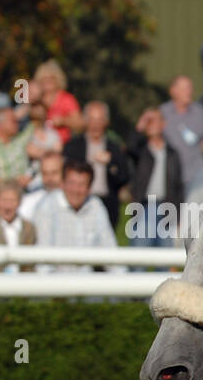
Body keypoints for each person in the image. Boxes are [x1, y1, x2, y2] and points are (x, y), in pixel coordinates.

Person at [31, 160, 121, 272]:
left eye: (82, 184)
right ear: (62, 184)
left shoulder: (95, 205)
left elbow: (109, 248)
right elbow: (42, 258)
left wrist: (123, 283)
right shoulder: (46, 208)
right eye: (71, 183)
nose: (76, 190)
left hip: (88, 283)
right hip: (54, 283)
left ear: (89, 188)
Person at [62, 101, 131, 229]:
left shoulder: (114, 148)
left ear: (106, 122)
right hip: (78, 202)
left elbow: (124, 177)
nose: (95, 125)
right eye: (92, 119)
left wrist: (110, 164)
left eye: (99, 120)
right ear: (85, 121)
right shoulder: (73, 146)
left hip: (107, 204)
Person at [128, 106, 185, 249]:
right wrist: (140, 124)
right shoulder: (141, 151)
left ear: (163, 123)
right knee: (139, 256)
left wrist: (178, 217)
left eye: (154, 120)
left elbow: (178, 186)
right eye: (148, 121)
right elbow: (129, 147)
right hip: (145, 206)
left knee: (165, 259)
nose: (151, 124)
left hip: (167, 209)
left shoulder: (172, 153)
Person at [160, 75, 203, 198]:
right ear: (173, 91)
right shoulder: (163, 112)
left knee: (192, 208)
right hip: (172, 172)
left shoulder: (199, 111)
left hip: (197, 170)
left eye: (190, 88)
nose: (188, 91)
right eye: (184, 88)